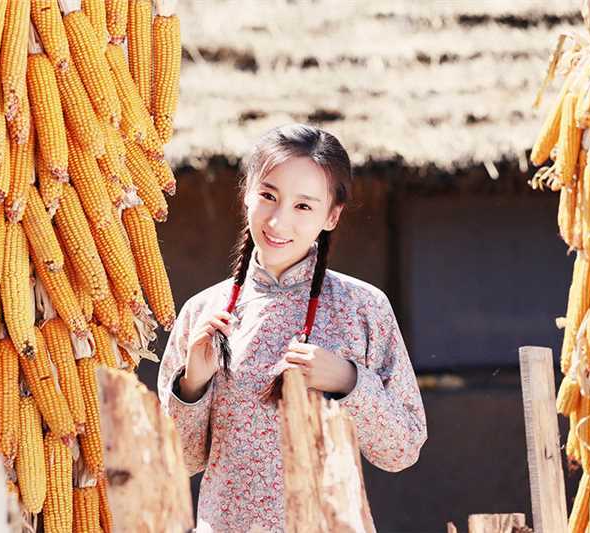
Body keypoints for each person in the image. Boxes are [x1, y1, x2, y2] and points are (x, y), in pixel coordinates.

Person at [157, 124, 428, 533]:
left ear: (332, 215)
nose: (279, 220)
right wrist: (192, 384)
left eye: (304, 206)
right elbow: (179, 462)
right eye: (268, 196)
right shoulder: (203, 313)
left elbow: (403, 449)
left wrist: (350, 381)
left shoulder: (363, 308)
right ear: (247, 193)